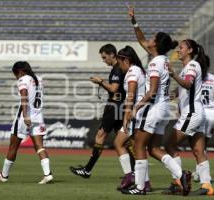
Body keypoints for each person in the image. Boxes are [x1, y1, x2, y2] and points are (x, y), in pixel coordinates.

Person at [121, 6, 191, 196]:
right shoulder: (163, 59)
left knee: (138, 146)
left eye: (152, 38)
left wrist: (137, 106)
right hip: (163, 110)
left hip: (152, 109)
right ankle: (181, 174)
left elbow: (151, 92)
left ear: (156, 45)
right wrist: (134, 21)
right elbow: (141, 39)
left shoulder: (154, 63)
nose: (148, 40)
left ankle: (140, 187)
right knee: (153, 148)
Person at [69, 44, 127, 178]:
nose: (103, 60)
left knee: (100, 135)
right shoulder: (119, 68)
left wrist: (100, 81)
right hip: (121, 106)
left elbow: (113, 89)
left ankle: (87, 169)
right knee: (123, 141)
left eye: (104, 57)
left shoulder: (117, 69)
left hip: (114, 107)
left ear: (112, 54)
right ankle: (133, 172)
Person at [0, 61, 53, 184]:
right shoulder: (39, 79)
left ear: (20, 71)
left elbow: (24, 95)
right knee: (40, 147)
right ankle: (48, 174)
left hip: (24, 119)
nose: (16, 77)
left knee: (13, 146)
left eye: (16, 74)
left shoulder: (23, 79)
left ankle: (4, 176)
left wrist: (25, 115)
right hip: (38, 117)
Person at [166, 39, 214, 195]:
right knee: (198, 150)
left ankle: (179, 181)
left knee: (169, 145)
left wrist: (172, 74)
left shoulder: (192, 66)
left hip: (192, 113)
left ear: (190, 50)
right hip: (197, 113)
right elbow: (181, 91)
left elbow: (187, 84)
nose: (178, 50)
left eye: (181, 48)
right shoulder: (187, 68)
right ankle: (207, 186)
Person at [114, 45, 151, 192]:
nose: (119, 65)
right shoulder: (138, 70)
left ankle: (131, 176)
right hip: (139, 112)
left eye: (119, 61)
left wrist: (127, 113)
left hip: (136, 114)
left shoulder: (132, 71)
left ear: (126, 60)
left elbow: (131, 93)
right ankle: (143, 181)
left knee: (124, 144)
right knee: (134, 148)